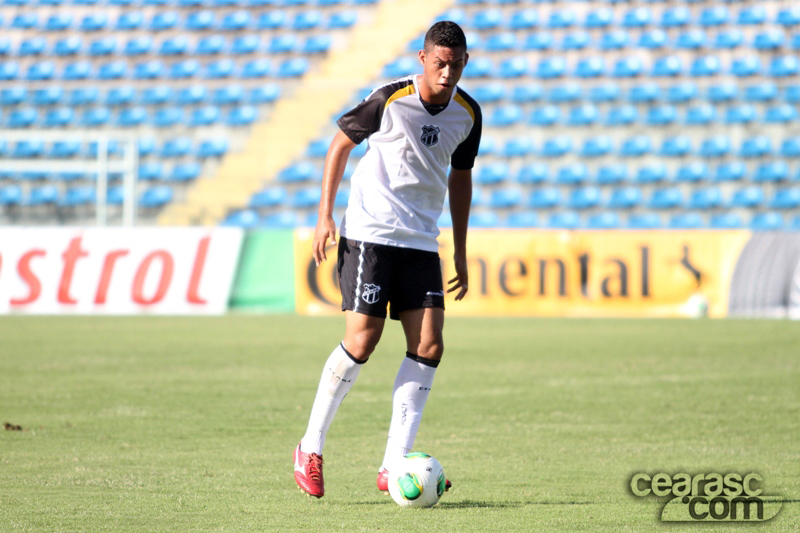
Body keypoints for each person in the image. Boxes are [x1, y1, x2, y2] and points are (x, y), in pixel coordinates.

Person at [293, 20, 481, 499]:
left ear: (465, 63)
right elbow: (339, 144)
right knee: (363, 340)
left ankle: (395, 460)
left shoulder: (468, 114)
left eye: (456, 64)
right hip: (370, 234)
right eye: (440, 63)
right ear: (423, 59)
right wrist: (324, 217)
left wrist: (458, 247)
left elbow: (461, 177)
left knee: (430, 344)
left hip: (420, 240)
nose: (447, 73)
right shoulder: (391, 97)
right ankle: (310, 446)